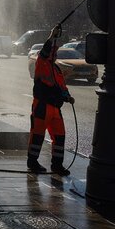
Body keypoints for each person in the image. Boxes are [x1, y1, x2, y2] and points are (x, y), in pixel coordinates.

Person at [27, 24, 75, 176]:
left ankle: (57, 166)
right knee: (38, 135)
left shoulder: (56, 69)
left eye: (55, 53)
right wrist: (52, 36)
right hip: (41, 106)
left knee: (60, 136)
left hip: (55, 108)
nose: (54, 55)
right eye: (52, 53)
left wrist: (67, 97)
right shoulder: (41, 64)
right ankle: (32, 163)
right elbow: (44, 51)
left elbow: (62, 86)